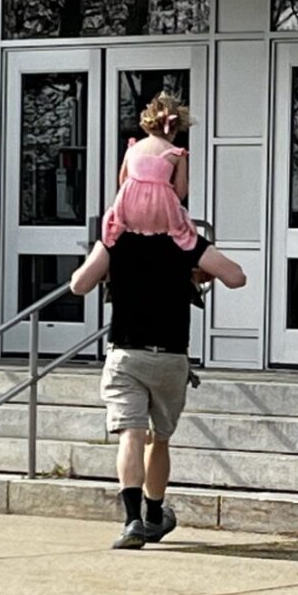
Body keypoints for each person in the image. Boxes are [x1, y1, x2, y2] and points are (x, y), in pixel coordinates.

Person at [69, 229, 246, 549]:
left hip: (127, 353)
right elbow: (236, 277)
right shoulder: (186, 240)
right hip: (171, 355)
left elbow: (79, 284)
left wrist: (108, 267)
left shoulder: (114, 240)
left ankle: (132, 520)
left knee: (131, 434)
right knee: (159, 437)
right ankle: (154, 515)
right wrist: (196, 269)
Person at [101, 92, 198, 251]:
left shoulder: (133, 149)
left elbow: (123, 180)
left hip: (130, 207)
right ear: (173, 130)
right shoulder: (176, 153)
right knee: (178, 230)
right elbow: (181, 191)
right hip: (161, 208)